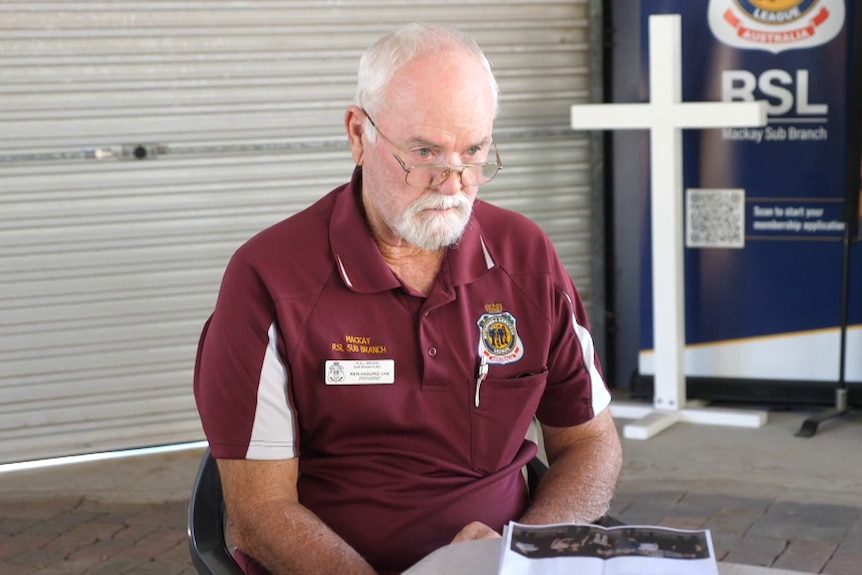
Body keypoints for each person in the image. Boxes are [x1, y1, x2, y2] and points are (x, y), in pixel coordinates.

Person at [194, 22, 623, 575]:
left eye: (474, 152)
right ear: (358, 134)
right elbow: (258, 511)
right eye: (424, 152)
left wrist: (520, 556)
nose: (452, 183)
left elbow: (590, 442)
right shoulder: (271, 278)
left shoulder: (526, 257)